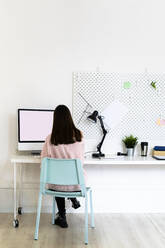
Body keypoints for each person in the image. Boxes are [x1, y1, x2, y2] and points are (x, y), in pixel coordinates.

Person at [41, 105, 85, 228]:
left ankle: (62, 216)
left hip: (58, 184)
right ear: (69, 118)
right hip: (77, 183)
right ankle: (73, 199)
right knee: (65, 179)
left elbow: (44, 161)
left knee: (58, 181)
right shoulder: (79, 135)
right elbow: (81, 159)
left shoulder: (50, 138)